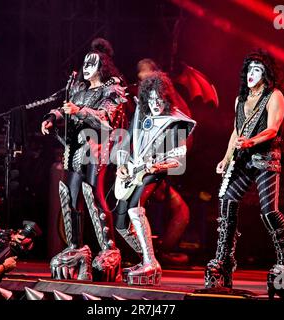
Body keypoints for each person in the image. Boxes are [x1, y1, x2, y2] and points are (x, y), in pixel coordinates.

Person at [204, 49, 284, 293]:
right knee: (227, 201)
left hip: (267, 158)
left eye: (257, 70)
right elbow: (236, 132)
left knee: (269, 211)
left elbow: (273, 129)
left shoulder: (274, 95)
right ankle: (224, 261)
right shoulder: (240, 99)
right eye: (249, 69)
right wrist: (226, 159)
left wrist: (251, 142)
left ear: (266, 73)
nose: (251, 74)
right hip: (243, 158)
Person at [42, 38, 126, 282]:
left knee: (93, 196)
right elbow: (65, 107)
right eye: (85, 63)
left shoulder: (111, 89)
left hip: (94, 148)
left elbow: (105, 119)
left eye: (93, 63)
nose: (87, 67)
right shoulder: (79, 89)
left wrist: (80, 112)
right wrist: (52, 116)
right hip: (74, 149)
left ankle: (109, 249)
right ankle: (76, 248)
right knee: (70, 196)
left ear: (102, 66)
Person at [115, 72, 196, 285]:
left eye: (159, 99)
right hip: (135, 170)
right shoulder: (141, 114)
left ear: (166, 98)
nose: (155, 104)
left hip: (156, 172)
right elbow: (126, 141)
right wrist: (122, 165)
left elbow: (179, 158)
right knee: (121, 222)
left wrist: (158, 165)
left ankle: (151, 261)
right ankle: (147, 259)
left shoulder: (174, 120)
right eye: (151, 99)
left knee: (135, 209)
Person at [134, 59, 191, 265]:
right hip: (140, 170)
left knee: (180, 211)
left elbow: (183, 139)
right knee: (135, 209)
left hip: (160, 168)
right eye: (141, 80)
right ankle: (144, 254)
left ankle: (155, 253)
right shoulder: (140, 104)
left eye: (147, 78)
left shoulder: (171, 106)